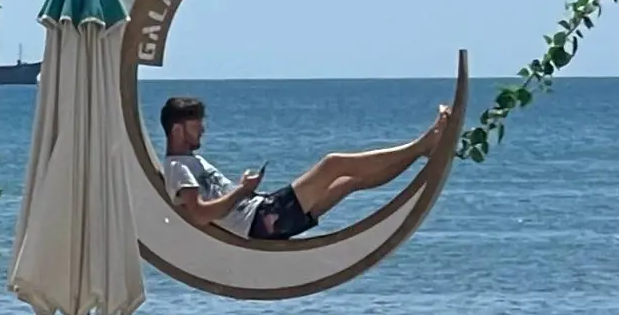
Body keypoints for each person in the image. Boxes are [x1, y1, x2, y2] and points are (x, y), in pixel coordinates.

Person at [160, 95, 451, 240]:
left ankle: (420, 154)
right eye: (196, 125)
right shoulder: (177, 167)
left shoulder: (187, 163)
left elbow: (212, 206)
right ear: (177, 130)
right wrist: (242, 192)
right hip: (262, 218)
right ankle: (421, 146)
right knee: (334, 163)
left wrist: (243, 191)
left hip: (263, 216)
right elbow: (199, 215)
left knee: (350, 181)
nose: (203, 130)